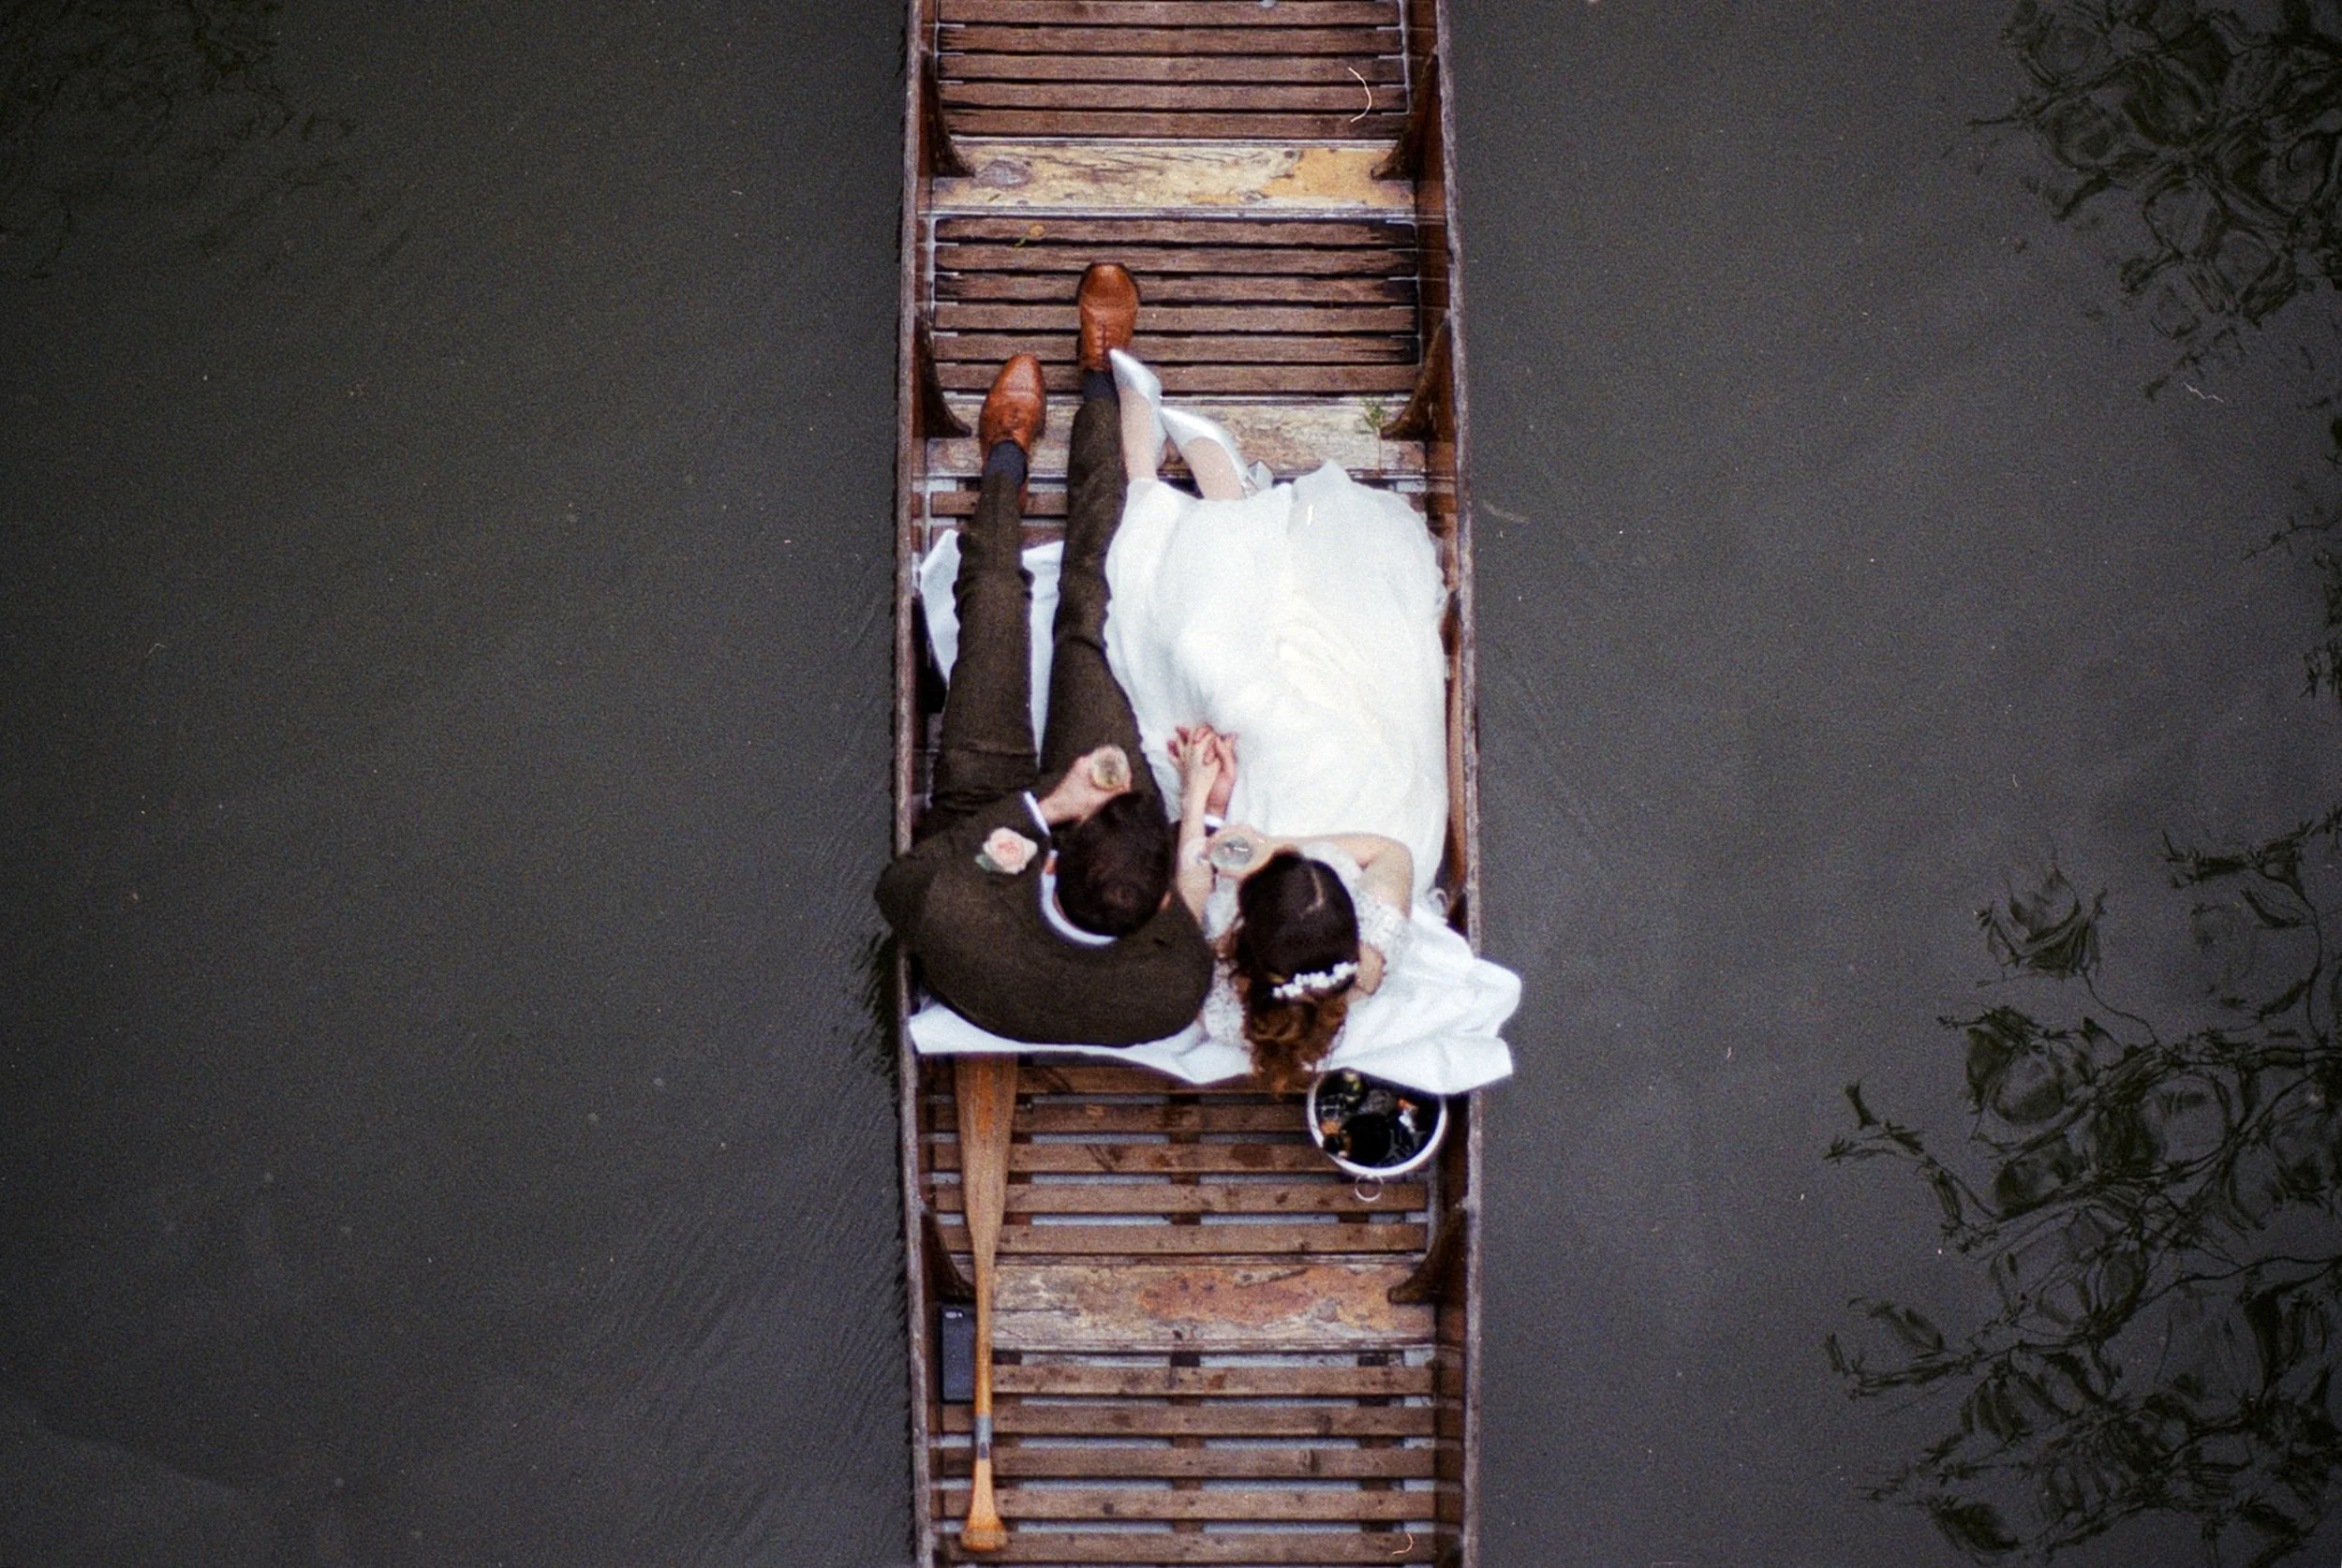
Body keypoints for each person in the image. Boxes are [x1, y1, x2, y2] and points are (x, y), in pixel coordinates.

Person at [1103, 348, 1519, 1090]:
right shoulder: (1363, 966)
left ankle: (1183, 494)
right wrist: (1279, 843)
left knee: (1195, 665)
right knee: (1265, 693)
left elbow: (1193, 886)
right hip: (1359, 787)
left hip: (1253, 808)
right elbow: (1390, 853)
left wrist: (1203, 795)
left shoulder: (1216, 991)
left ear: (1245, 930)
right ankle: (1225, 499)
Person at [875, 267, 1216, 1046]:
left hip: (983, 835)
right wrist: (1195, 800)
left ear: (1054, 863)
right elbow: (1192, 912)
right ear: (1162, 901)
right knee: (1093, 605)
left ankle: (1004, 458)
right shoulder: (1173, 990)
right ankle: (1100, 382)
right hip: (1072, 858)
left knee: (993, 605)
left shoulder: (949, 911)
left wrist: (1046, 809)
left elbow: (897, 887)